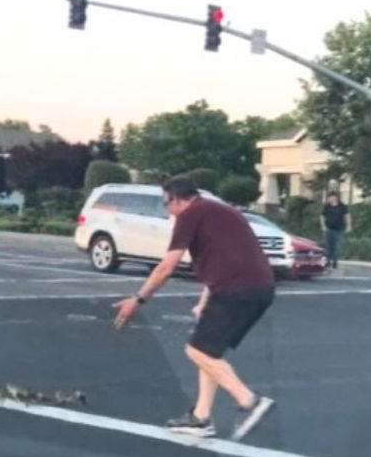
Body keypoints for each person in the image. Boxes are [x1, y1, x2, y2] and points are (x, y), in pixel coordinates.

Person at [112, 177, 275, 441]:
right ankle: (201, 418)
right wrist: (203, 301)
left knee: (196, 351)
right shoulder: (219, 211)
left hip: (237, 289)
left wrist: (138, 299)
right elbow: (227, 257)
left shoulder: (191, 214)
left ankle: (250, 402)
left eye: (166, 205)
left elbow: (167, 266)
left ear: (176, 199)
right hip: (256, 288)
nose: (168, 212)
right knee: (209, 351)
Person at [320, 192, 350, 270]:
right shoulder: (327, 206)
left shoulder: (342, 206)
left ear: (335, 197)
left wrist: (349, 226)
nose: (330, 199)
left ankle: (335, 262)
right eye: (329, 198)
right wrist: (323, 226)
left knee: (337, 247)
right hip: (328, 229)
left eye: (332, 197)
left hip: (339, 229)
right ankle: (327, 262)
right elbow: (322, 216)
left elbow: (347, 216)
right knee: (328, 247)